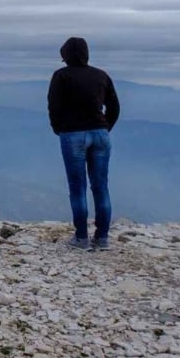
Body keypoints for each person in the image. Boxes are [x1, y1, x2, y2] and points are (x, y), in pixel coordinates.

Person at [47, 36, 121, 250]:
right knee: (100, 186)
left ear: (66, 56)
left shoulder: (61, 76)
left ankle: (81, 238)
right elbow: (114, 107)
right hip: (100, 134)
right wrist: (105, 128)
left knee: (77, 188)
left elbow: (54, 106)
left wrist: (58, 129)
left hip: (72, 135)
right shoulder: (101, 75)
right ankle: (103, 238)